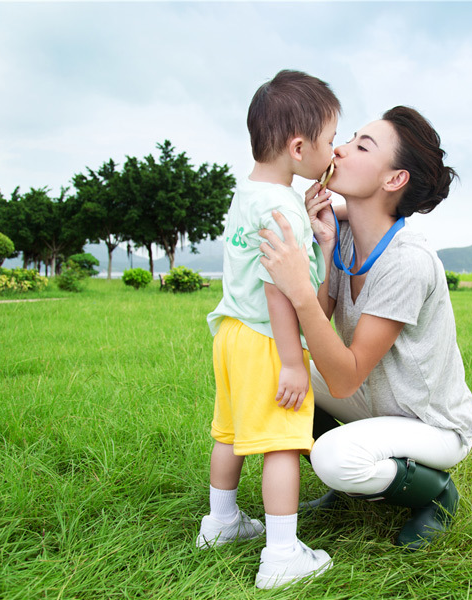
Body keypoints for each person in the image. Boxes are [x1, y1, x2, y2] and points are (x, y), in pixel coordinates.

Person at [258, 106, 472, 550]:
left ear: (393, 179)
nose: (340, 148)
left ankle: (435, 495)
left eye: (362, 146)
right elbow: (315, 331)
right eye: (350, 138)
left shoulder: (407, 262)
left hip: (431, 423)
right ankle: (350, 489)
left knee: (334, 457)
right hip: (374, 402)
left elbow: (343, 375)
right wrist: (317, 245)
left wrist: (299, 289)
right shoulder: (341, 236)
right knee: (277, 371)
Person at [196, 69, 338, 589]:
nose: (335, 150)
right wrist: (293, 361)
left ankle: (222, 522)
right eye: (330, 140)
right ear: (300, 148)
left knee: (231, 433)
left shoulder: (253, 195)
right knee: (282, 442)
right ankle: (281, 555)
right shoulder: (284, 209)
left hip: (231, 332)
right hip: (266, 338)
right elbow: (281, 289)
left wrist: (308, 228)